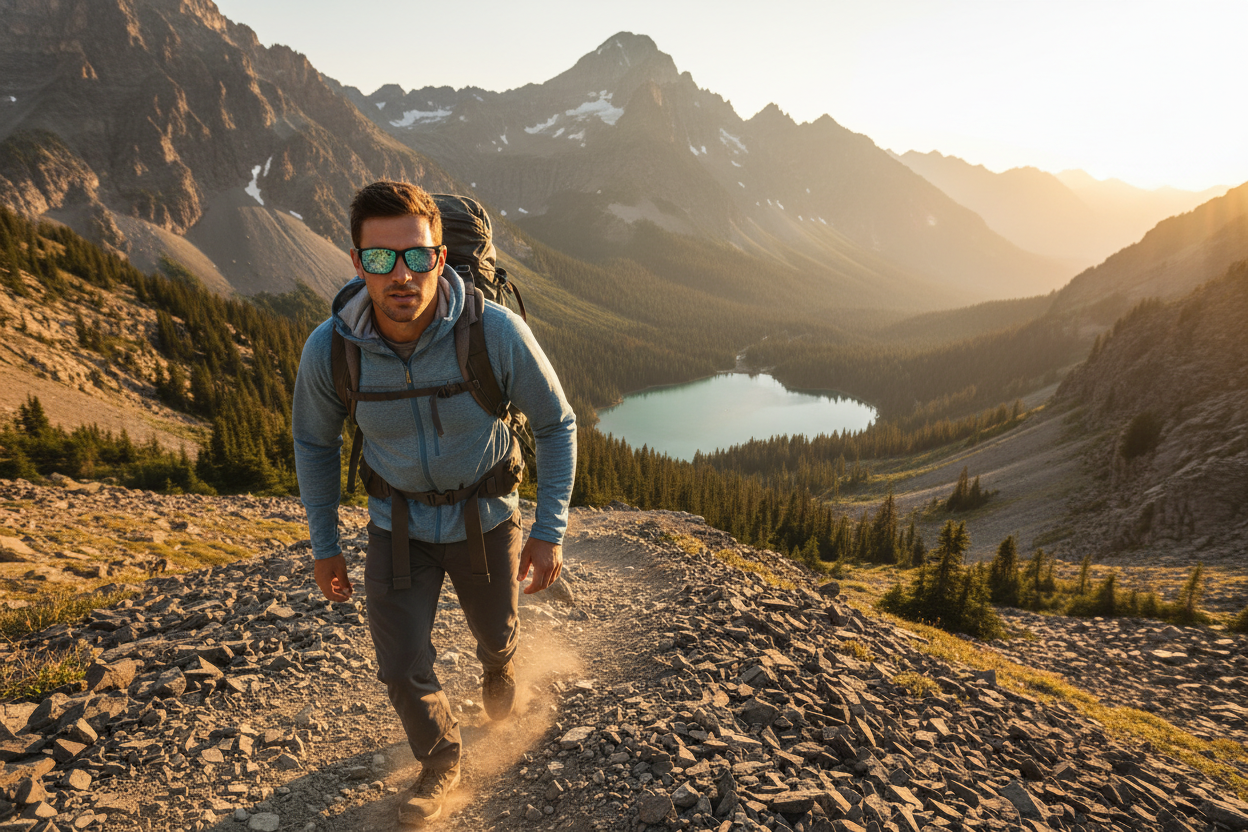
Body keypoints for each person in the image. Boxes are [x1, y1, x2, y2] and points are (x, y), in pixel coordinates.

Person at [292, 180, 576, 824]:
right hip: (396, 527)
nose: (401, 274)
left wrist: (549, 529)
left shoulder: (493, 332)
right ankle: (440, 762)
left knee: (495, 629)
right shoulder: (331, 349)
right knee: (401, 666)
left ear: (440, 258)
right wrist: (325, 546)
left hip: (486, 519)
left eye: (417, 256)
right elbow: (313, 441)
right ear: (359, 261)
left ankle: (499, 665)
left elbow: (557, 424)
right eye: (381, 258)